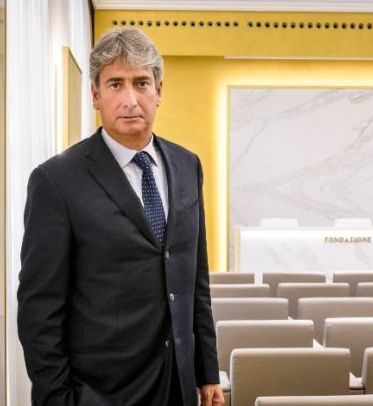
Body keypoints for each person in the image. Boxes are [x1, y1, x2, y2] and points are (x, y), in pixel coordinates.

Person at [17, 28, 225, 406]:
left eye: (141, 83)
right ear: (95, 95)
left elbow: (196, 279)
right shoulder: (56, 181)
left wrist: (206, 371)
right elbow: (39, 309)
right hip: (101, 392)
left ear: (159, 90)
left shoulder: (187, 165)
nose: (130, 99)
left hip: (178, 385)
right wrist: (57, 398)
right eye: (115, 84)